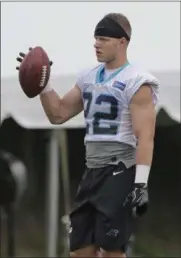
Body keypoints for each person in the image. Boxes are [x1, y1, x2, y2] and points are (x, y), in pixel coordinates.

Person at [16, 12, 159, 258]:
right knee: (80, 250)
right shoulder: (89, 77)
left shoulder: (137, 81)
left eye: (103, 39)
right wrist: (44, 84)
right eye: (96, 39)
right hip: (92, 170)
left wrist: (140, 184)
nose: (96, 44)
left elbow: (145, 135)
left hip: (119, 169)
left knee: (112, 250)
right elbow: (58, 114)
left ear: (122, 41)